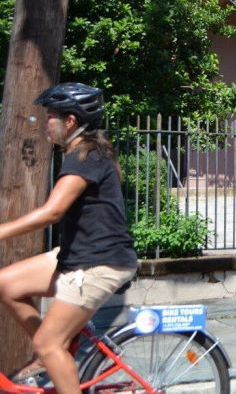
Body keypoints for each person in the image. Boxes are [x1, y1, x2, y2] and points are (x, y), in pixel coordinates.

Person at [0, 83, 137, 392]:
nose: (46, 123)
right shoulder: (82, 151)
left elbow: (53, 211)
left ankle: (50, 351)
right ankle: (47, 353)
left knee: (51, 344)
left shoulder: (85, 157)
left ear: (71, 121)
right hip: (78, 253)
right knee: (6, 283)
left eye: (51, 116)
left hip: (99, 264)